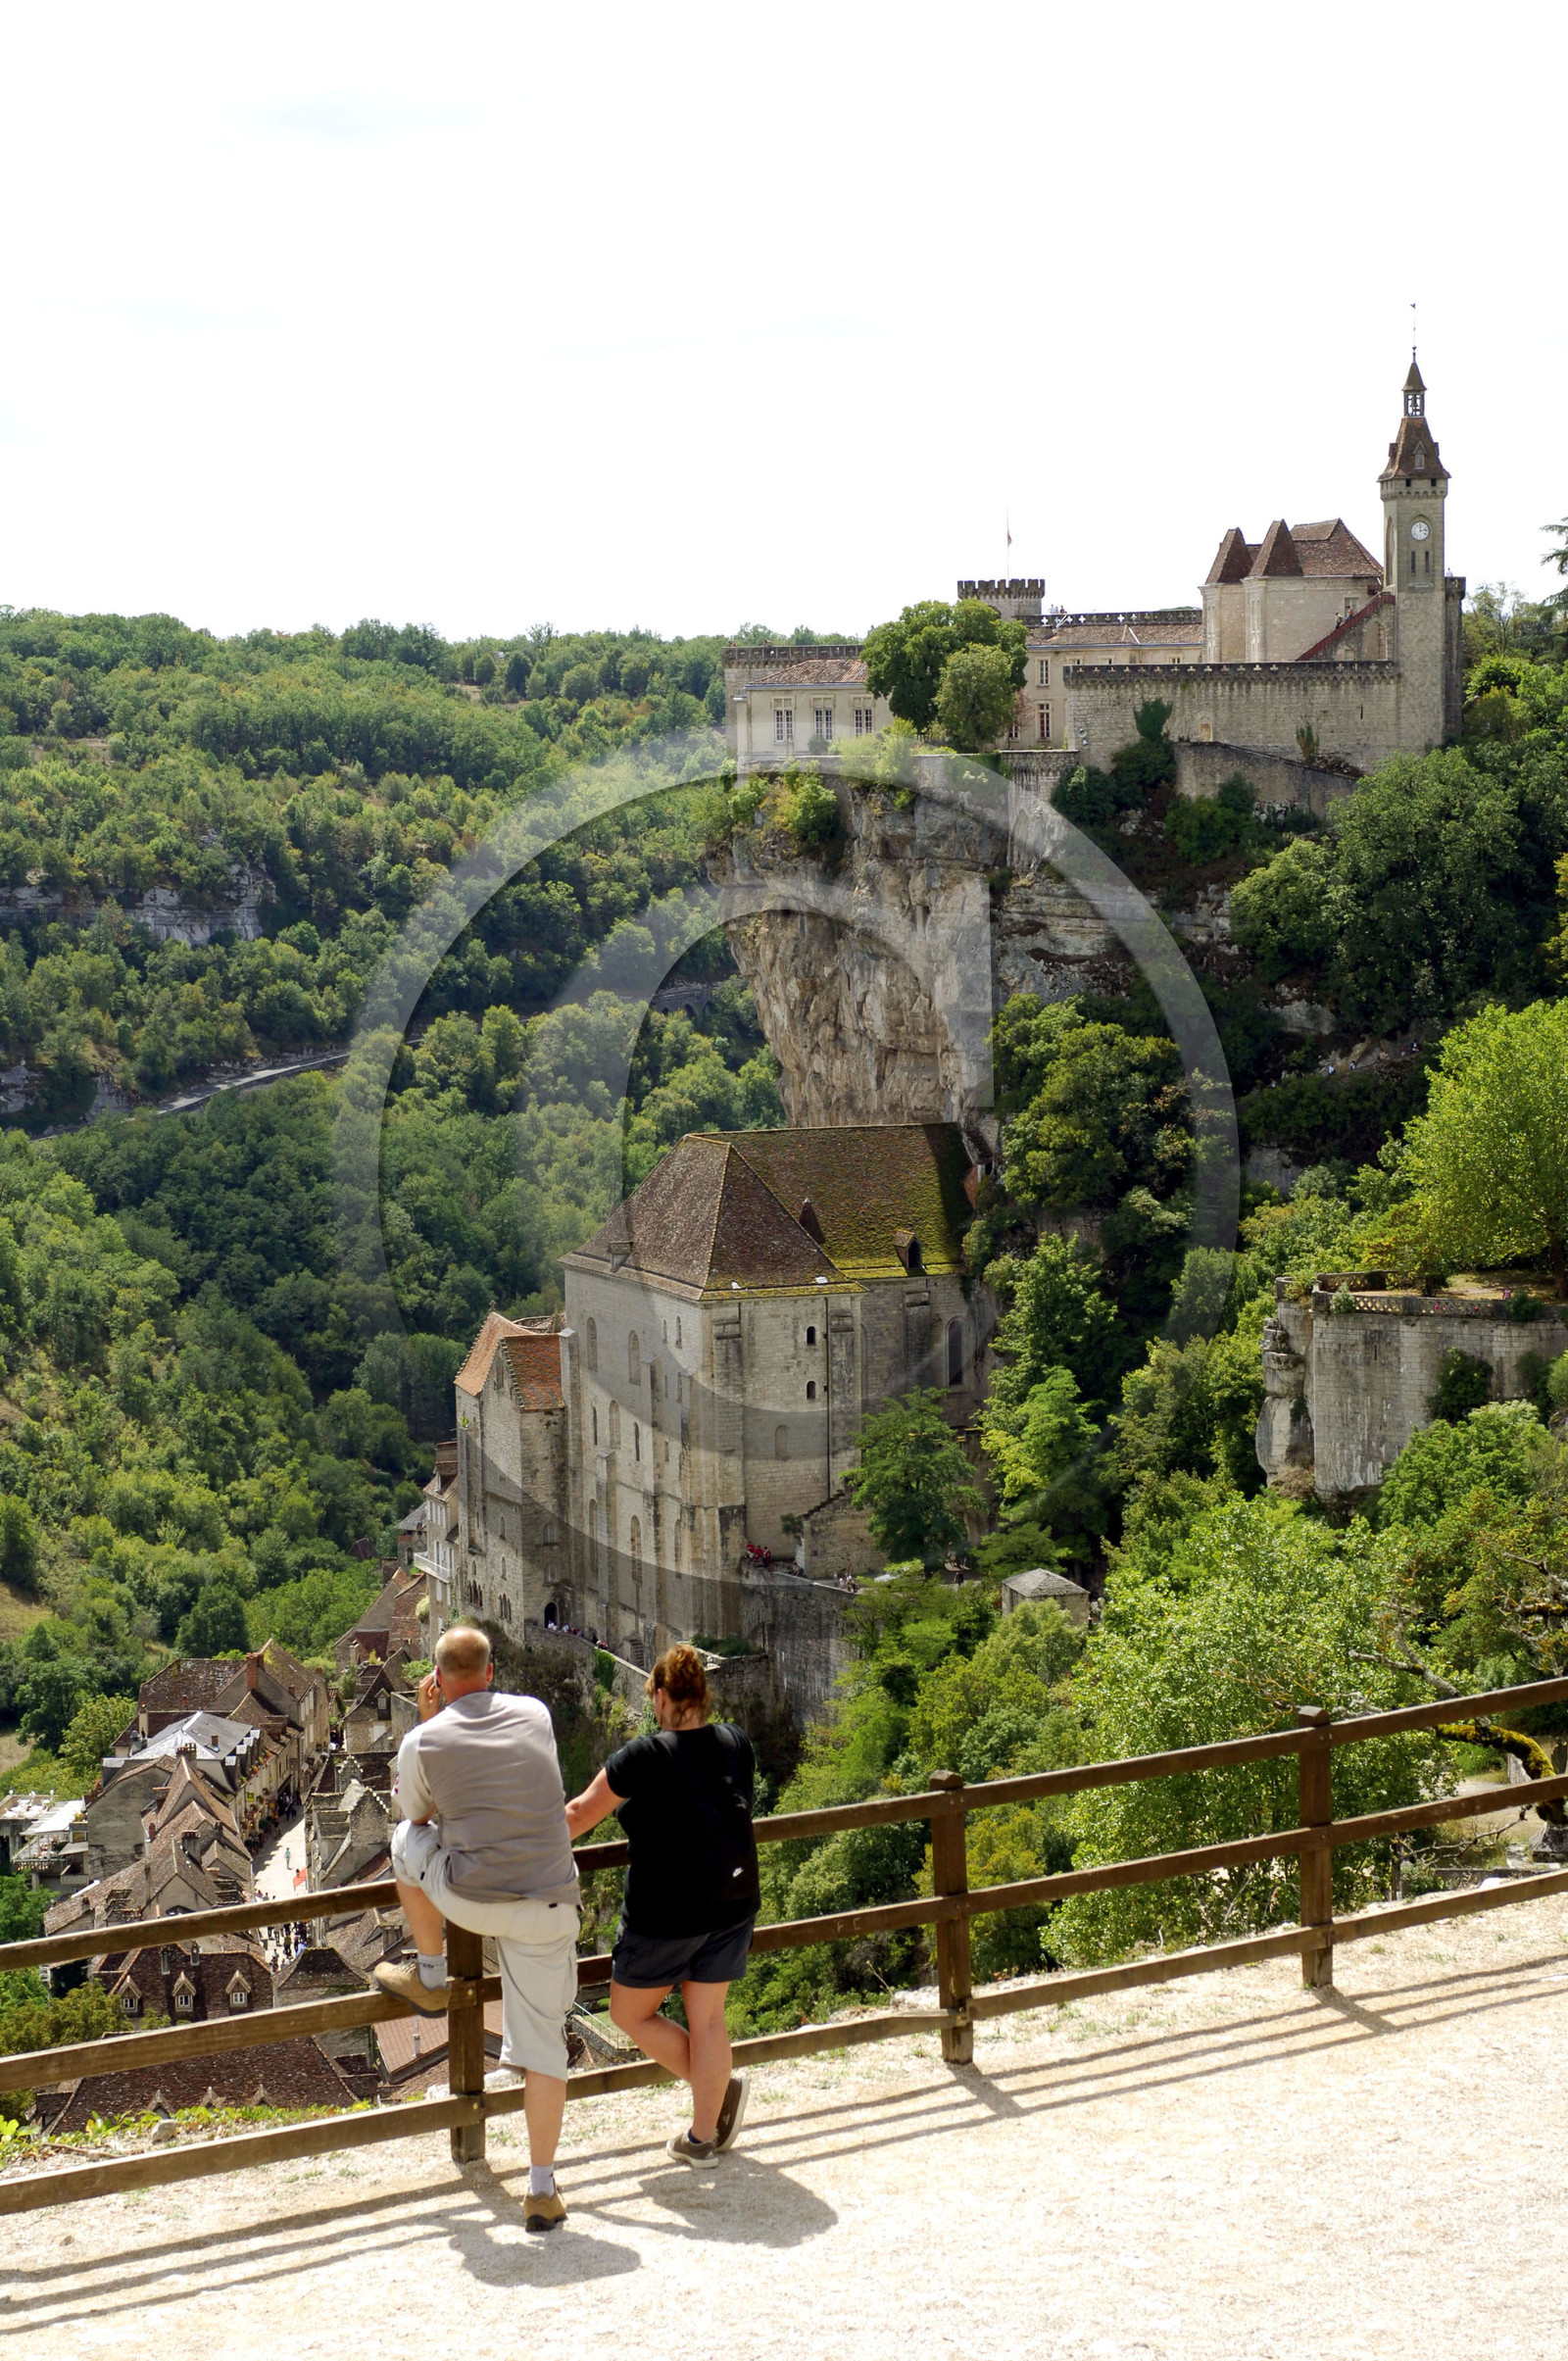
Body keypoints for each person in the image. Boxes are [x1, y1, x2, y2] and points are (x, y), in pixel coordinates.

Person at [372, 1623, 579, 2233]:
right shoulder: (536, 1714)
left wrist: (423, 1723)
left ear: (436, 1680)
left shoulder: (424, 1740)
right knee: (546, 2055)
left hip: (471, 1899)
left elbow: (418, 1814)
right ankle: (541, 2190)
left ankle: (431, 1974)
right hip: (547, 1901)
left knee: (403, 1842)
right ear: (491, 1672)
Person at [564, 1644, 759, 2166]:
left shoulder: (645, 1755)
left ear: (666, 1697)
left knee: (628, 2011)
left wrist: (517, 1841)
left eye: (654, 1697)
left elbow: (580, 1815)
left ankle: (713, 2101)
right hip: (733, 1900)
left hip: (666, 1910)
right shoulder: (736, 1743)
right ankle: (702, 2135)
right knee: (709, 2020)